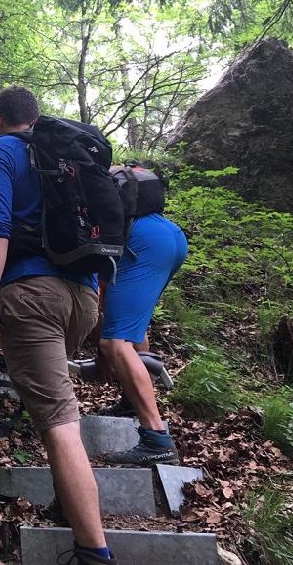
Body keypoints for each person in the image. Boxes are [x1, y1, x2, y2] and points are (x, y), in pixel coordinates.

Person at [0, 86, 114, 565]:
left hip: (32, 297)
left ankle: (94, 552)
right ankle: (67, 506)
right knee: (56, 412)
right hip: (82, 298)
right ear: (35, 117)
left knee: (59, 424)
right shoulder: (67, 155)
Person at [97, 166, 188, 466]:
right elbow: (107, 294)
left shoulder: (92, 215)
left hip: (144, 243)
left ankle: (156, 439)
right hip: (170, 235)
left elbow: (98, 296)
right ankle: (130, 401)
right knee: (130, 329)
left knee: (115, 343)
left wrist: (105, 350)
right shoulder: (119, 206)